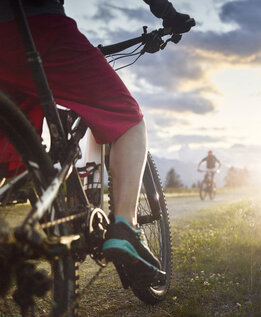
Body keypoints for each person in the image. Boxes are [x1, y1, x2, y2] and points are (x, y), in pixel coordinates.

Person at [0, 0, 193, 282]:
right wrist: (168, 14)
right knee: (129, 119)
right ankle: (125, 229)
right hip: (38, 28)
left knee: (10, 151)